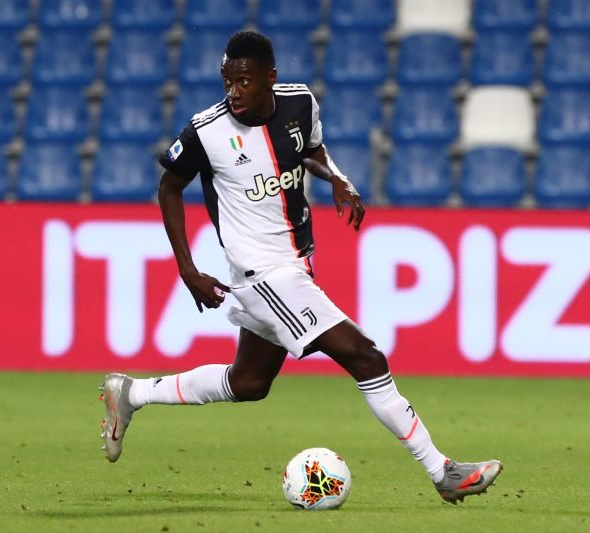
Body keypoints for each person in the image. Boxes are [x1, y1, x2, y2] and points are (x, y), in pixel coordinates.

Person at [99, 31, 502, 504]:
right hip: (263, 275)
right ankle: (443, 472)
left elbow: (308, 148)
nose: (233, 92)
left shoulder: (300, 103)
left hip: (295, 267)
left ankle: (131, 393)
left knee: (247, 383)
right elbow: (169, 187)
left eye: (244, 82)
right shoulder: (205, 132)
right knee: (365, 356)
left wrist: (337, 178)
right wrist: (188, 269)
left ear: (270, 79)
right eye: (227, 81)